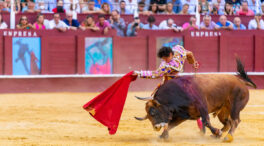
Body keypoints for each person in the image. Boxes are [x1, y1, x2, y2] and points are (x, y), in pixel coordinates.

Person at [132, 46, 203, 132]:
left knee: (188, 103)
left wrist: (140, 73)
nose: (165, 60)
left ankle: (197, 119)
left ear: (170, 54)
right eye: (163, 59)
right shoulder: (179, 50)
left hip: (173, 84)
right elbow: (189, 54)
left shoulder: (169, 65)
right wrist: (193, 62)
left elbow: (156, 74)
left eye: (166, 58)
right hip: (173, 82)